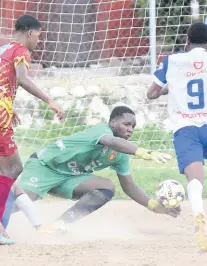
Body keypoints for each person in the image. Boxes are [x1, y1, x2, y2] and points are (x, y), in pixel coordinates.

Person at [16, 105, 180, 235]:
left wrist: (153, 205)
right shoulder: (101, 131)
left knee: (107, 187)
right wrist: (142, 152)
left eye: (133, 126)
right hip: (44, 166)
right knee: (20, 202)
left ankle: (59, 225)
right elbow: (110, 141)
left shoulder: (121, 154)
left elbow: (129, 185)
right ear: (112, 123)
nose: (130, 129)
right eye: (126, 124)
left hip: (69, 178)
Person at [0, 14, 63, 245]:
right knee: (11, 171)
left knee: (11, 170)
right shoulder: (21, 51)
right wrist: (50, 101)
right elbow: (22, 79)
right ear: (30, 33)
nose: (38, 42)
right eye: (38, 36)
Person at [147, 22, 207, 251]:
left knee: (195, 179)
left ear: (187, 41)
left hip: (186, 127)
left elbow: (151, 93)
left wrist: (169, 88)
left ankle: (199, 214)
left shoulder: (172, 61)